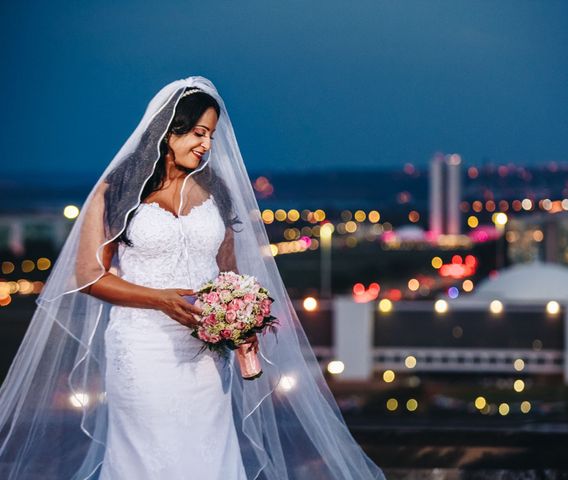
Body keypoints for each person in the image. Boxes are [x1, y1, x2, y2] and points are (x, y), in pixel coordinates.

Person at [0, 76, 386, 480]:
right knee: (148, 456)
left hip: (205, 354)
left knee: (207, 452)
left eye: (212, 136)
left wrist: (241, 319)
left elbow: (229, 274)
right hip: (142, 347)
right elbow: (88, 276)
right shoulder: (115, 193)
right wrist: (159, 299)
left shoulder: (215, 191)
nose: (206, 144)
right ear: (170, 131)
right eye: (199, 133)